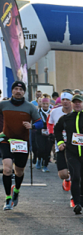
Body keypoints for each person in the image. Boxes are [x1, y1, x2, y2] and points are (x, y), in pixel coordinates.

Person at [0, 81, 41, 210]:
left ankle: (16, 190)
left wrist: (32, 126)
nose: (18, 91)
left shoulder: (30, 107)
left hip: (22, 143)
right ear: (12, 91)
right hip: (6, 140)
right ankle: (7, 198)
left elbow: (40, 123)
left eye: (21, 89)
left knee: (19, 172)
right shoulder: (3, 105)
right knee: (7, 169)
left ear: (24, 92)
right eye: (16, 89)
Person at [32, 94, 53, 172]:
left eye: (46, 104)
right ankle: (39, 159)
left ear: (49, 104)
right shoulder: (37, 111)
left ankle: (45, 165)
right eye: (43, 103)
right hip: (39, 132)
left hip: (49, 132)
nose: (45, 105)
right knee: (40, 149)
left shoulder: (52, 111)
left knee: (48, 150)